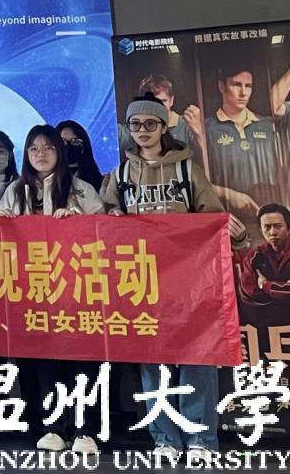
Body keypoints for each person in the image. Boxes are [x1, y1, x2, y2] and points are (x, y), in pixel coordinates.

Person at [104, 94, 245, 466]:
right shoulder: (121, 175)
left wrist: (236, 235)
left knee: (197, 356)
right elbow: (104, 221)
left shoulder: (186, 169)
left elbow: (212, 218)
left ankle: (201, 438)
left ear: (163, 126)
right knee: (153, 361)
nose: (143, 131)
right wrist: (113, 214)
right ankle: (165, 437)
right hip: (142, 282)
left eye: (150, 124)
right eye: (136, 124)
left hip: (189, 281)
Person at [0, 125, 102, 456]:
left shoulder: (81, 189)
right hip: (34, 288)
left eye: (48, 147)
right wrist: (3, 222)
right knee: (45, 361)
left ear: (59, 151)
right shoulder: (15, 190)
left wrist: (78, 221)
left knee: (81, 361)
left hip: (76, 287)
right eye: (33, 148)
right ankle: (54, 427)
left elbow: (106, 231)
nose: (40, 154)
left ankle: (85, 429)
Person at [183, 62, 290, 234]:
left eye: (248, 86)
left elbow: (282, 173)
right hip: (229, 225)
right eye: (236, 84)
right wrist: (228, 194)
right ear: (221, 86)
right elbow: (194, 181)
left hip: (269, 225)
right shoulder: (206, 129)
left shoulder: (267, 125)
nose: (243, 92)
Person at [239, 204, 290, 305]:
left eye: (278, 226)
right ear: (261, 230)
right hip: (266, 312)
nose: (272, 232)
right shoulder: (253, 256)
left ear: (289, 227)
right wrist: (280, 293)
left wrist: (264, 285)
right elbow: (247, 293)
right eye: (267, 227)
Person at [55, 121, 104, 192]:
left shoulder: (99, 183)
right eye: (63, 141)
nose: (68, 146)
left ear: (84, 147)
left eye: (75, 141)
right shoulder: (48, 181)